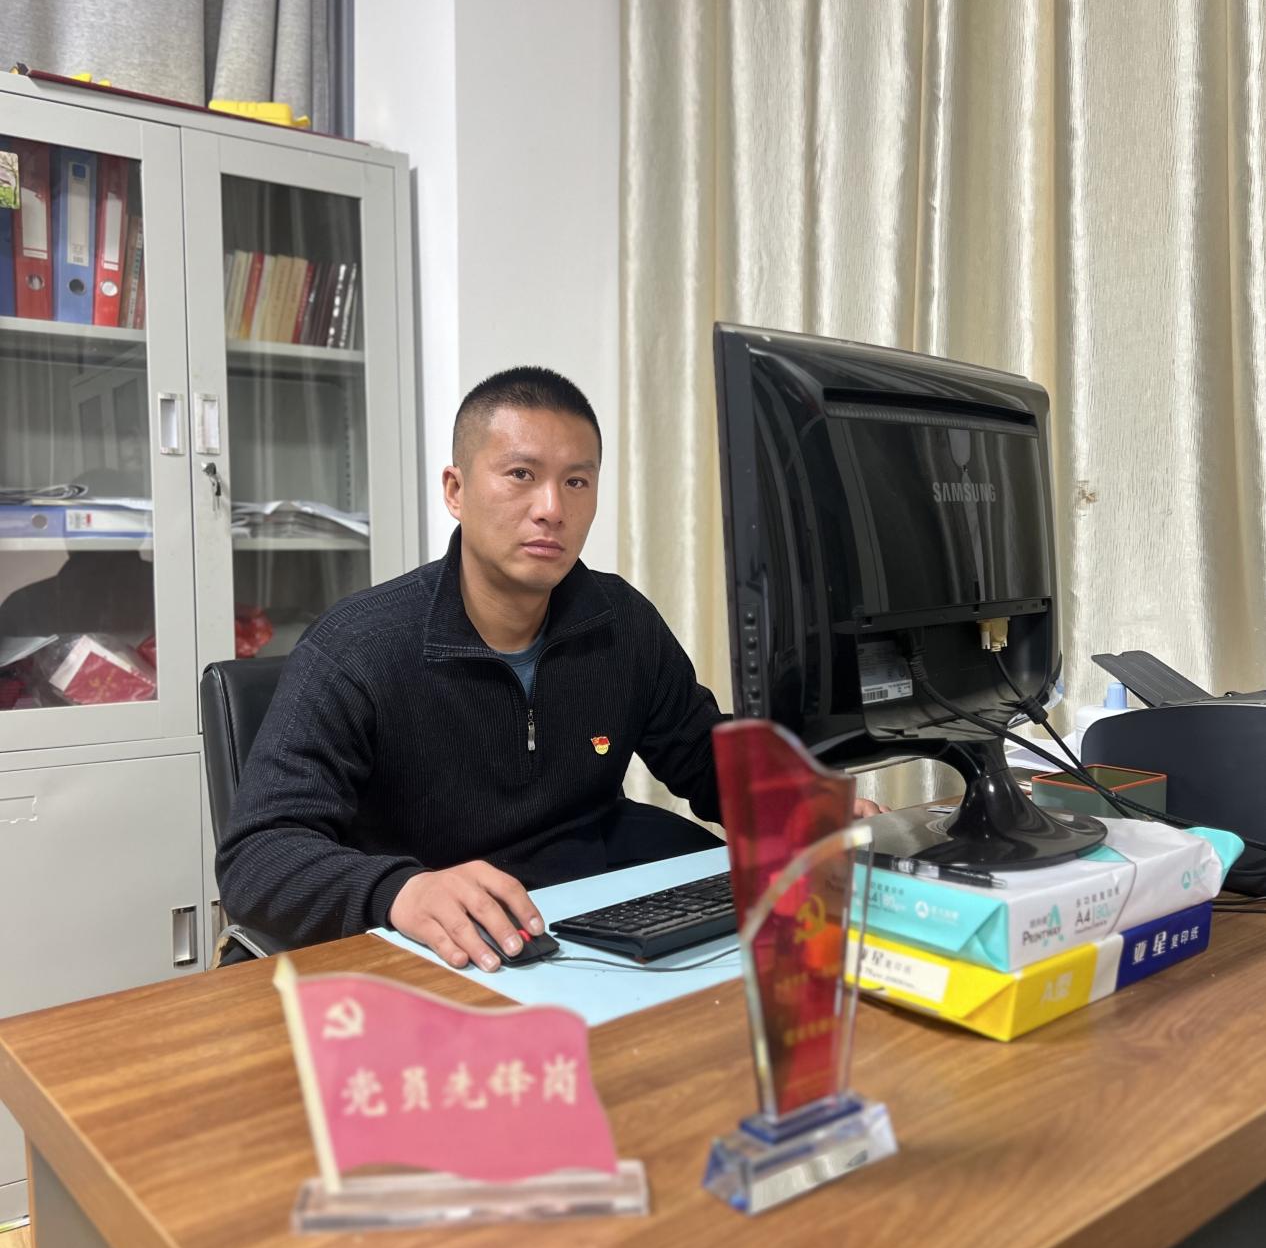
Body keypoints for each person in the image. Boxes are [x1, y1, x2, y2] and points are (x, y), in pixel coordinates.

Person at [217, 366, 880, 970]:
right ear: (456, 490)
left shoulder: (619, 622)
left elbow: (703, 758)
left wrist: (797, 802)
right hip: (449, 948)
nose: (551, 509)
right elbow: (258, 856)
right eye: (520, 475)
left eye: (576, 482)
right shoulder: (358, 646)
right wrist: (400, 891)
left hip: (590, 926)